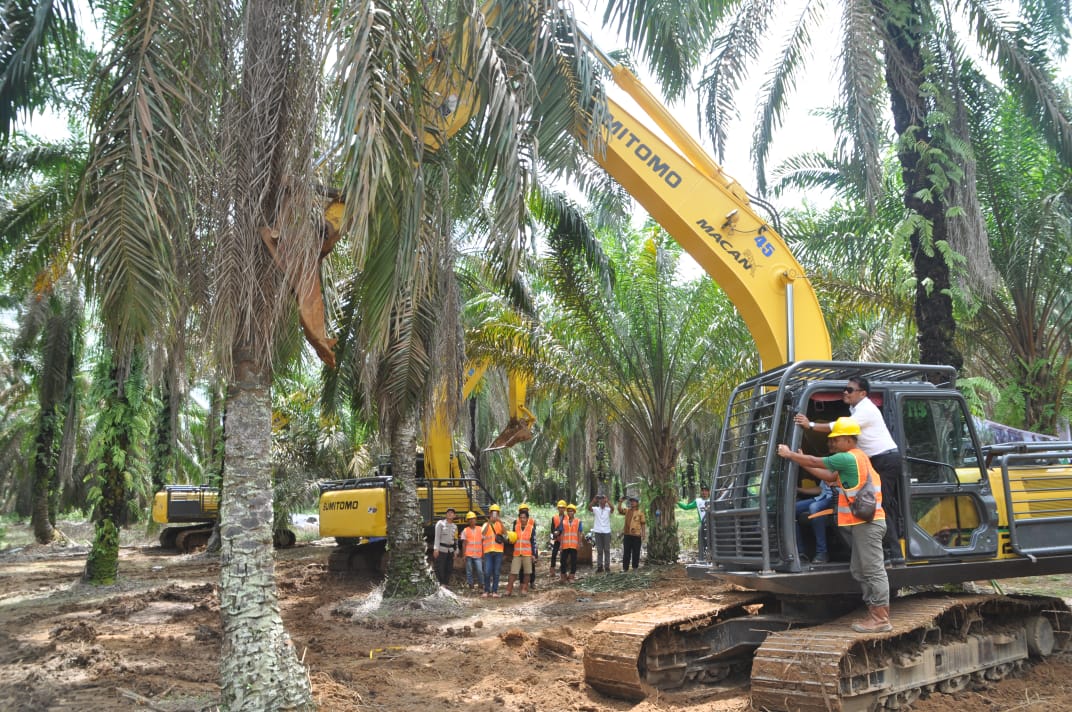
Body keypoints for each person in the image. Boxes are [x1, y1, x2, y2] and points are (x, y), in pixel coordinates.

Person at [777, 416, 892, 633]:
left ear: (848, 439)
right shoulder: (855, 459)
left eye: (836, 439)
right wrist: (800, 459)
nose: (832, 444)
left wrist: (790, 455)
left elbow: (816, 461)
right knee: (859, 569)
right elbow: (828, 476)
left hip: (868, 525)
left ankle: (880, 618)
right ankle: (873, 612)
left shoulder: (849, 458)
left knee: (873, 570)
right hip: (862, 525)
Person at [794, 375, 904, 564]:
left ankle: (894, 554)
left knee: (880, 506)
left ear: (863, 393)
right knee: (874, 505)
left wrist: (809, 425)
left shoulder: (866, 409)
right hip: (875, 460)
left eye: (850, 390)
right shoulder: (855, 411)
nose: (845, 392)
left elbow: (837, 426)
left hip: (885, 459)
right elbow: (828, 474)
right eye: (845, 389)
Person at [795, 481, 835, 563]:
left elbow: (831, 478)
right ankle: (799, 552)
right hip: (822, 497)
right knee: (792, 508)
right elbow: (820, 489)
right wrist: (799, 489)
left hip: (835, 498)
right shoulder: (826, 470)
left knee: (814, 507)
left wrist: (808, 467)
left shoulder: (834, 469)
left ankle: (822, 552)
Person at [506, 504, 537, 596]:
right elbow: (513, 538)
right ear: (519, 518)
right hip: (517, 553)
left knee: (527, 572)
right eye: (521, 517)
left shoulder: (531, 528)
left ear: (527, 518)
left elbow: (533, 542)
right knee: (513, 572)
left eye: (524, 517)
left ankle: (524, 588)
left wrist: (534, 554)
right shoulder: (516, 527)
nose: (522, 519)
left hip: (527, 553)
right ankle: (509, 589)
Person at [677, 485, 710, 559]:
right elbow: (686, 507)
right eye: (702, 491)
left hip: (712, 524)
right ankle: (704, 557)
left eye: (706, 491)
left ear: (709, 492)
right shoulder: (698, 501)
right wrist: (677, 502)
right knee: (703, 542)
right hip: (703, 524)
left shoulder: (712, 500)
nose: (704, 492)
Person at [481, 504, 506, 598]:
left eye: (496, 513)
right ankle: (486, 591)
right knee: (487, 571)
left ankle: (494, 591)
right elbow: (483, 534)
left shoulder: (500, 524)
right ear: (490, 514)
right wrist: (489, 522)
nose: (494, 515)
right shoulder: (485, 524)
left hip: (498, 551)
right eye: (493, 513)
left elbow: (505, 533)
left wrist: (500, 522)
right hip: (488, 552)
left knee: (496, 572)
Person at [617, 496, 646, 571]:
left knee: (636, 552)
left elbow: (643, 523)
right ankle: (625, 568)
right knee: (626, 552)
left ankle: (635, 568)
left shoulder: (640, 512)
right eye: (631, 501)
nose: (632, 503)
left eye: (634, 501)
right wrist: (620, 502)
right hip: (627, 534)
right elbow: (620, 510)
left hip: (636, 535)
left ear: (637, 503)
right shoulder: (627, 511)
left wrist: (643, 534)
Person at [557, 503, 583, 582]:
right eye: (568, 511)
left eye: (571, 511)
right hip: (565, 545)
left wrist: (579, 543)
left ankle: (572, 576)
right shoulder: (564, 521)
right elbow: (562, 533)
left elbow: (579, 533)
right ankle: (563, 576)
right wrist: (561, 545)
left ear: (574, 512)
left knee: (573, 561)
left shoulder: (578, 521)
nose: (570, 513)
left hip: (573, 545)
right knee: (563, 560)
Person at [432, 508, 457, 586]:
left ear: (454, 516)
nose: (450, 514)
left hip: (451, 550)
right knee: (440, 567)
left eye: (452, 513)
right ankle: (440, 584)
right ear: (446, 515)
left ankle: (446, 584)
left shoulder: (455, 526)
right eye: (448, 512)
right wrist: (436, 549)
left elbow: (456, 540)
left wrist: (456, 551)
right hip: (442, 549)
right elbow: (437, 537)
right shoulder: (440, 523)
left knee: (449, 568)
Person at [460, 511, 484, 591]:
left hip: (478, 554)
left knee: (480, 571)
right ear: (468, 521)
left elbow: (483, 542)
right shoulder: (465, 530)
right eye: (469, 519)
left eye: (473, 519)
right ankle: (471, 586)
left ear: (475, 520)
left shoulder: (480, 529)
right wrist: (463, 555)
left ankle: (481, 586)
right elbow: (464, 544)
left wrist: (483, 553)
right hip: (469, 554)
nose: (471, 521)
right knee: (469, 571)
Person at [589, 493, 613, 572]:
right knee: (599, 550)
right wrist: (594, 500)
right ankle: (599, 567)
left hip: (606, 532)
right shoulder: (596, 509)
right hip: (598, 531)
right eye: (600, 499)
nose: (602, 501)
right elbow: (589, 508)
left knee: (607, 549)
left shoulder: (608, 509)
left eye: (603, 499)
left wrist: (608, 501)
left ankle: (607, 566)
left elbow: (613, 509)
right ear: (598, 501)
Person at [549, 500, 567, 572]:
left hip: (565, 539)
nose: (561, 509)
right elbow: (552, 528)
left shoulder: (567, 518)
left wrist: (559, 532)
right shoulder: (554, 517)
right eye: (560, 507)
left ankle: (563, 569)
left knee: (563, 556)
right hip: (557, 539)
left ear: (565, 509)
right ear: (558, 508)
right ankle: (552, 569)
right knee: (554, 554)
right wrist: (554, 533)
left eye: (563, 507)